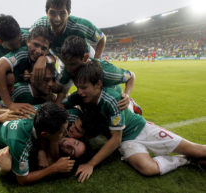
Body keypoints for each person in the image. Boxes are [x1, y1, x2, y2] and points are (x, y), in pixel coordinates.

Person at [65, 61, 206, 182]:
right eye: (78, 87)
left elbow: (115, 139)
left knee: (200, 150)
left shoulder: (112, 100)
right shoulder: (79, 97)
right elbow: (61, 105)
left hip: (141, 129)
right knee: (147, 168)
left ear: (98, 85)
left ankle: (193, 155)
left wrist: (91, 164)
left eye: (84, 88)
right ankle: (186, 159)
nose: (80, 92)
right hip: (126, 141)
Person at [58, 36, 140, 114]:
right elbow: (60, 89)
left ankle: (131, 105)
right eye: (66, 64)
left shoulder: (105, 71)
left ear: (85, 58)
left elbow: (131, 76)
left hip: (115, 102)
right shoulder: (68, 68)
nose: (68, 69)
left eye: (73, 64)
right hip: (91, 100)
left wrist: (127, 95)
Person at [0, 26, 55, 114]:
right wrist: (10, 104)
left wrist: (44, 59)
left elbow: (53, 57)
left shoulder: (46, 58)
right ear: (28, 41)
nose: (38, 51)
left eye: (43, 48)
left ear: (48, 49)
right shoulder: (22, 53)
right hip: (13, 93)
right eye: (36, 45)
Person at [30, 0, 106, 59]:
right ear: (46, 12)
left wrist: (96, 61)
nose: (57, 19)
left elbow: (102, 38)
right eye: (52, 13)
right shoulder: (40, 24)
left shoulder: (81, 25)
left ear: (69, 13)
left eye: (62, 13)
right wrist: (43, 59)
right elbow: (27, 39)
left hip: (86, 58)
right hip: (64, 62)